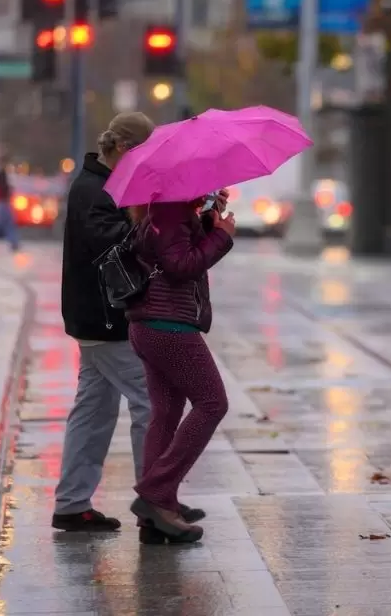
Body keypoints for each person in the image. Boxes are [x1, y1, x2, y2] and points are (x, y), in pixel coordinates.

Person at [55, 112, 209, 535]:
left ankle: (73, 503)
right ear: (123, 149)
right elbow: (115, 245)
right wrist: (150, 220)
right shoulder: (93, 189)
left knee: (94, 411)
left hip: (99, 318)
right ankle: (157, 502)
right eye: (145, 154)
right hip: (107, 319)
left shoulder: (108, 187)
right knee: (151, 403)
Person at [126, 193, 237, 543]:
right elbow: (180, 266)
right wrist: (222, 236)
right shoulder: (172, 210)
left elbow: (178, 253)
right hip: (169, 326)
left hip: (151, 324)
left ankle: (158, 515)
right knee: (213, 403)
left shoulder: (166, 207)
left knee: (168, 411)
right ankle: (156, 492)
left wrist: (207, 221)